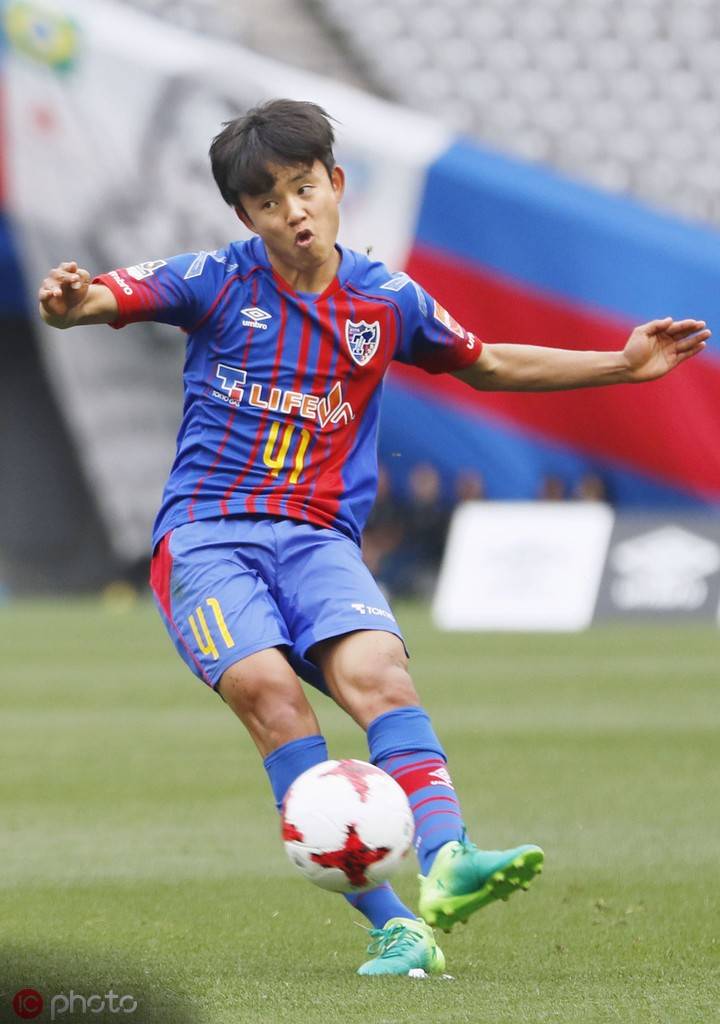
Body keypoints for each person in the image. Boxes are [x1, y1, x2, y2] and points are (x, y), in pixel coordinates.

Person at [38, 99, 709, 978]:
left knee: (380, 676)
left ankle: (450, 856)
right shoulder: (213, 279)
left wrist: (621, 364)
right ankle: (393, 924)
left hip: (319, 539)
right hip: (207, 538)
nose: (294, 212)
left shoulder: (386, 300)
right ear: (244, 215)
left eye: (305, 188)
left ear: (336, 183)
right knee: (271, 694)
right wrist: (70, 303)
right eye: (269, 201)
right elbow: (103, 296)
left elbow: (488, 363)